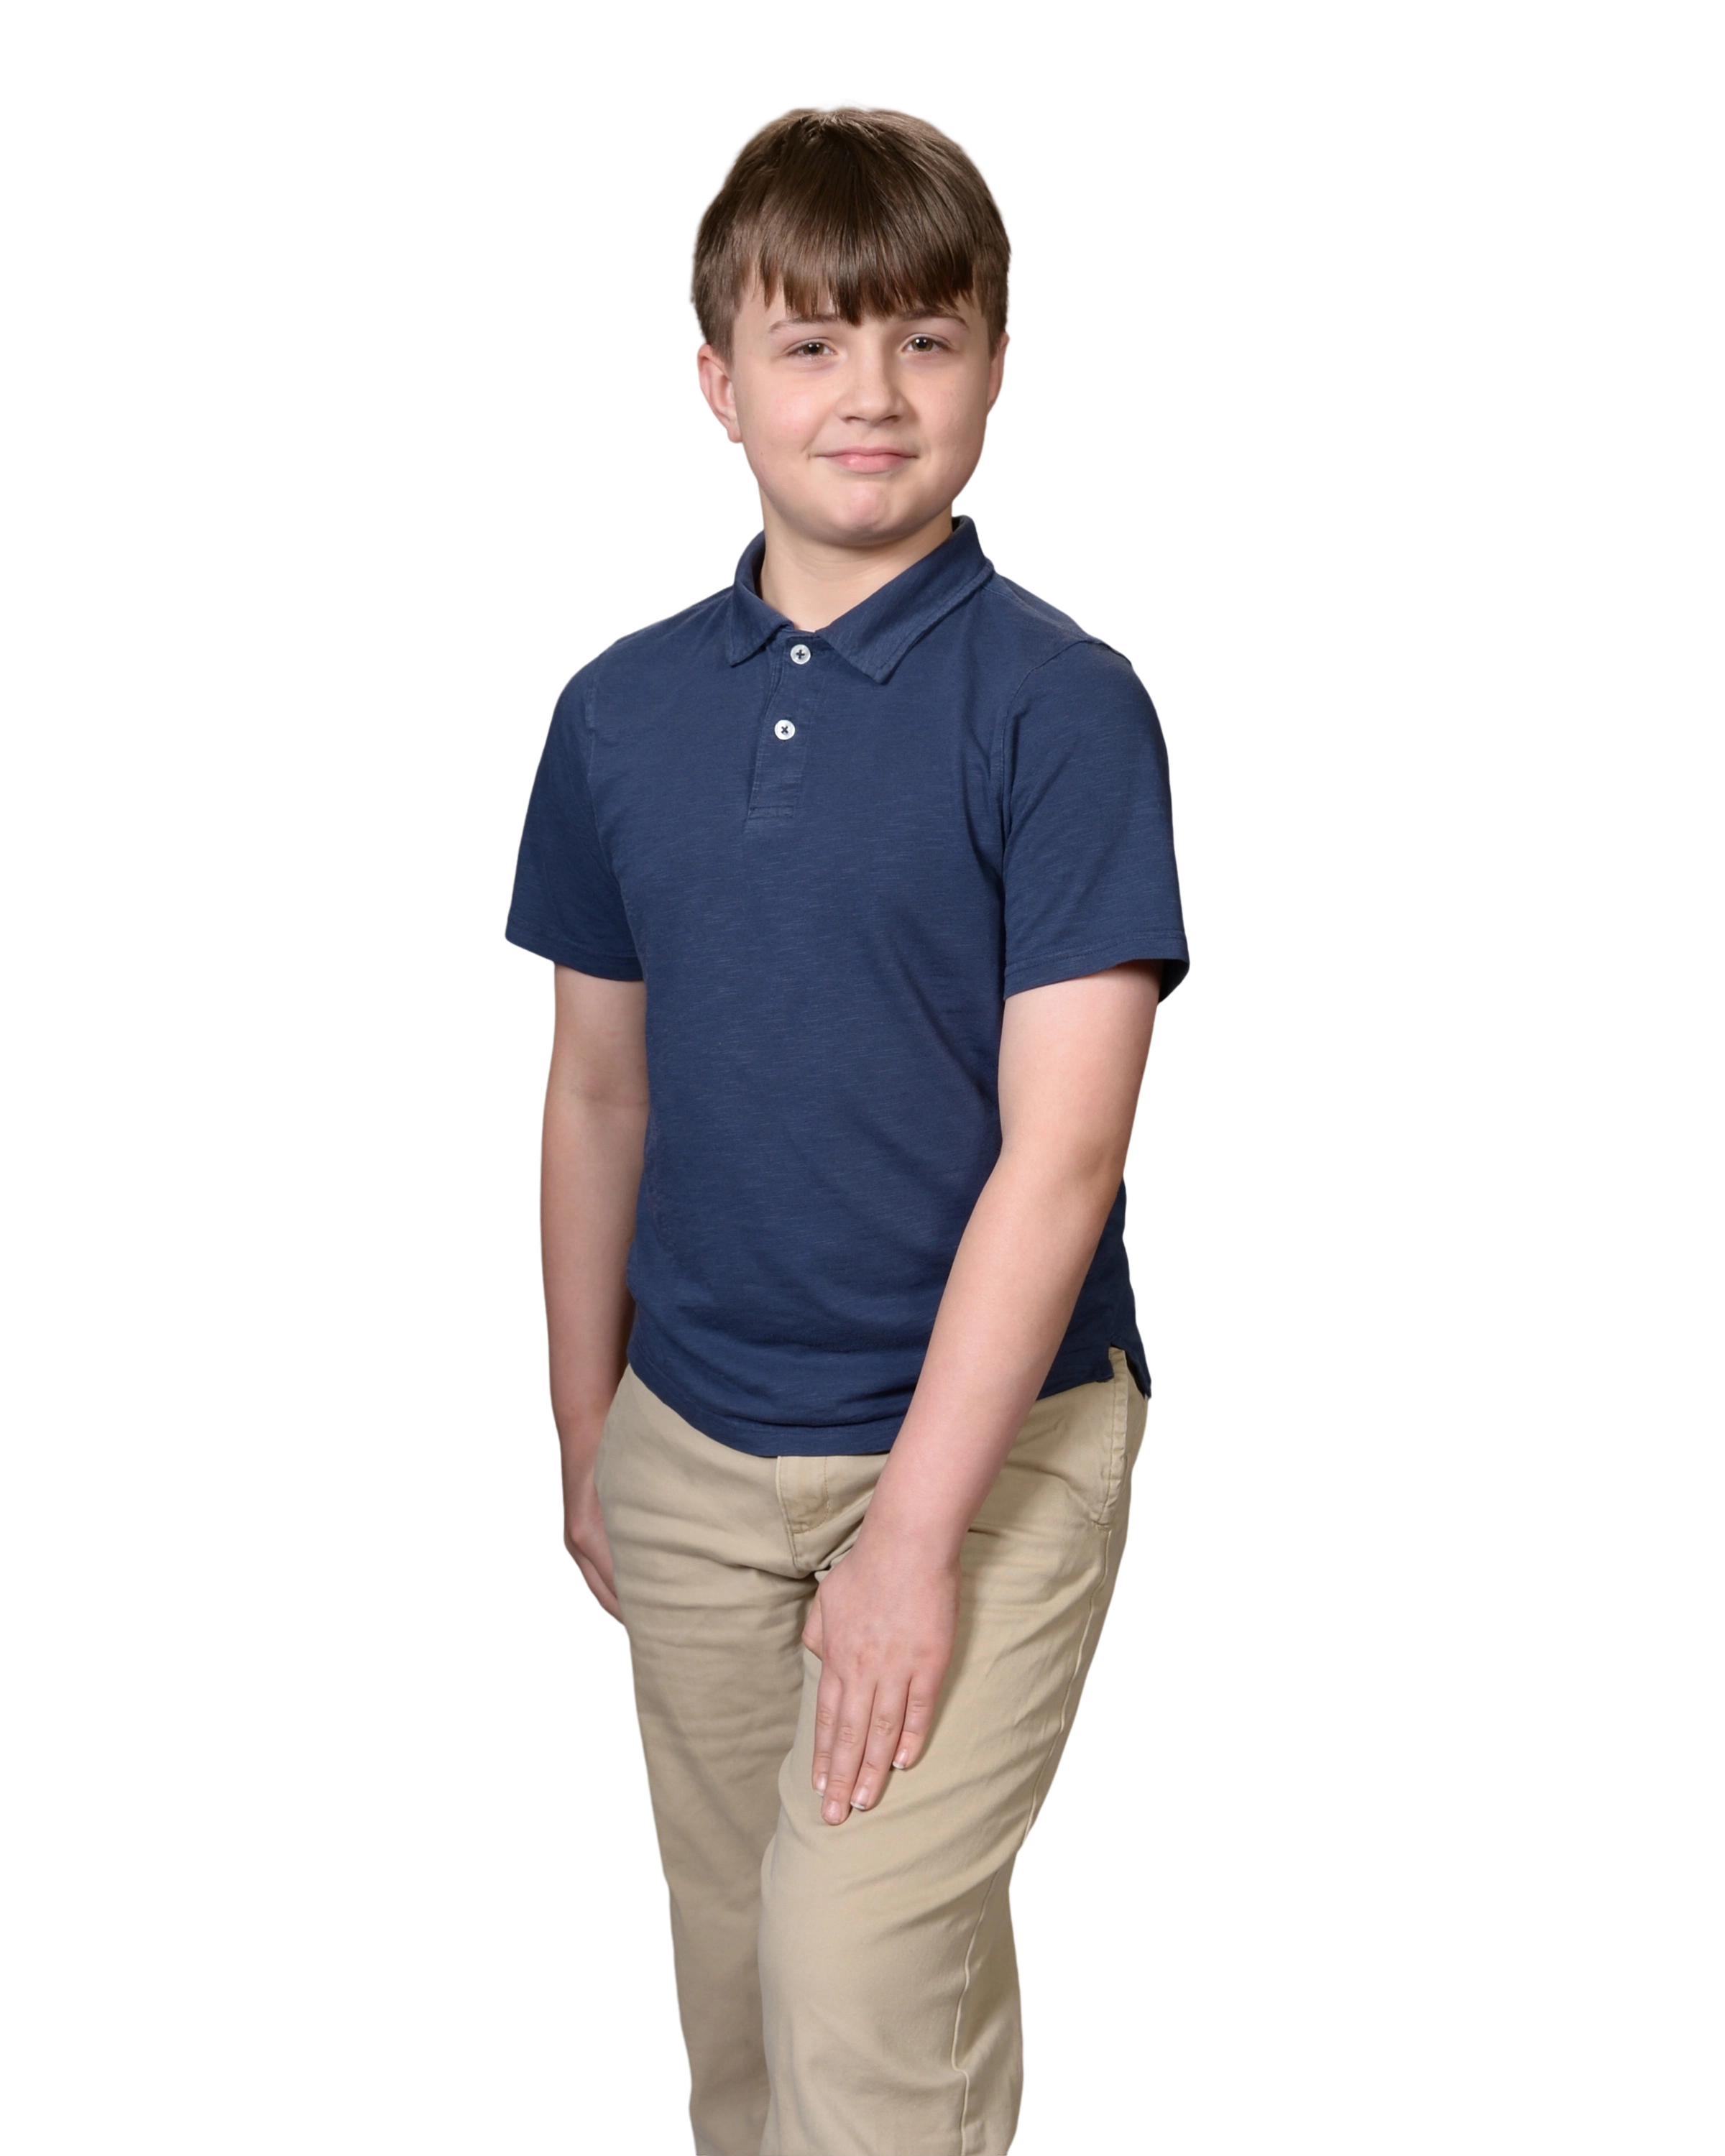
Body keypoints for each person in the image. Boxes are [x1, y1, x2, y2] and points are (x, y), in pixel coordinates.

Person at [502, 95, 1190, 2156]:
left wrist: (910, 1544)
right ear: (719, 384)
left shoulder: (1063, 706)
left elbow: (1065, 1156)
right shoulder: (619, 714)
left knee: (864, 1984)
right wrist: (590, 1433)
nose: (871, 394)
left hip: (986, 1454)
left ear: (996, 370)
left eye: (926, 339)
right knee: (739, 1997)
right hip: (697, 1446)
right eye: (810, 342)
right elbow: (597, 1089)